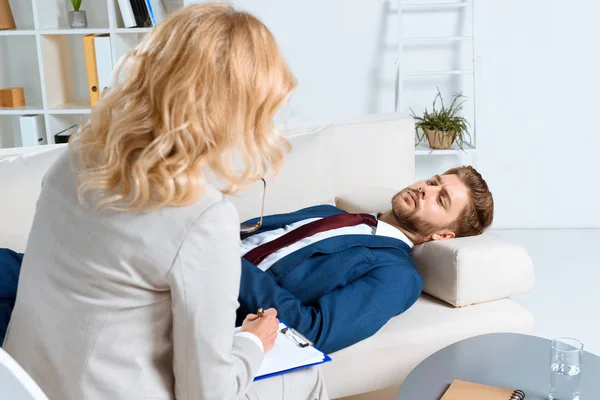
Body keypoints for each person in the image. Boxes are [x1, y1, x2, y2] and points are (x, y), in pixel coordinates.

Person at [3, 4, 328, 400]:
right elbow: (207, 394)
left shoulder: (77, 157)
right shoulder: (202, 216)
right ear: (237, 111)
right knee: (308, 375)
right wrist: (253, 341)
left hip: (23, 386)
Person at [236, 166, 494, 354]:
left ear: (442, 234)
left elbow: (313, 332)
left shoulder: (398, 275)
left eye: (441, 200)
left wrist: (227, 262)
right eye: (433, 181)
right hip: (201, 259)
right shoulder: (331, 213)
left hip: (222, 302)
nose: (426, 189)